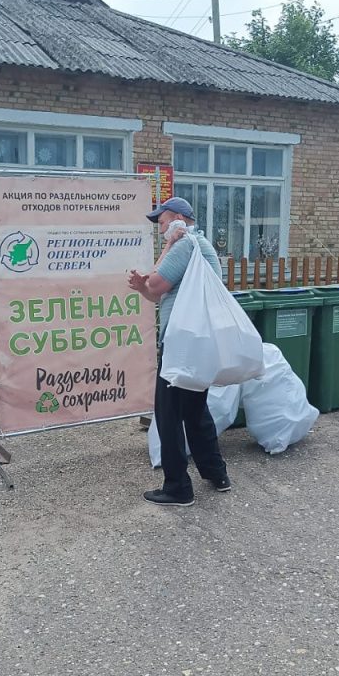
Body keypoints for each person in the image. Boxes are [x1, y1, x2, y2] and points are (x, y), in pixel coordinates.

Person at [127, 196, 231, 507]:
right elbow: (155, 294)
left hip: (181, 345)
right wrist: (142, 286)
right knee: (195, 410)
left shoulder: (185, 245)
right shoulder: (200, 247)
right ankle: (217, 474)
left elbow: (156, 285)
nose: (158, 225)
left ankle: (178, 488)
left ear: (178, 218)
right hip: (197, 341)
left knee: (169, 413)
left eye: (161, 219)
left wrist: (168, 246)